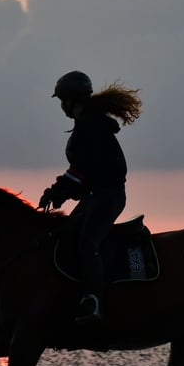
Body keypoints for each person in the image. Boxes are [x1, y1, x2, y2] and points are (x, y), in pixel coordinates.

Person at [38, 71, 142, 325]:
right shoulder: (89, 123)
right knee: (65, 237)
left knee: (86, 244)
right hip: (96, 197)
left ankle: (93, 300)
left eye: (62, 100)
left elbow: (83, 168)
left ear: (69, 100)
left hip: (106, 198)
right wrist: (63, 191)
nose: (61, 106)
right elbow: (86, 171)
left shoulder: (90, 125)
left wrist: (58, 191)